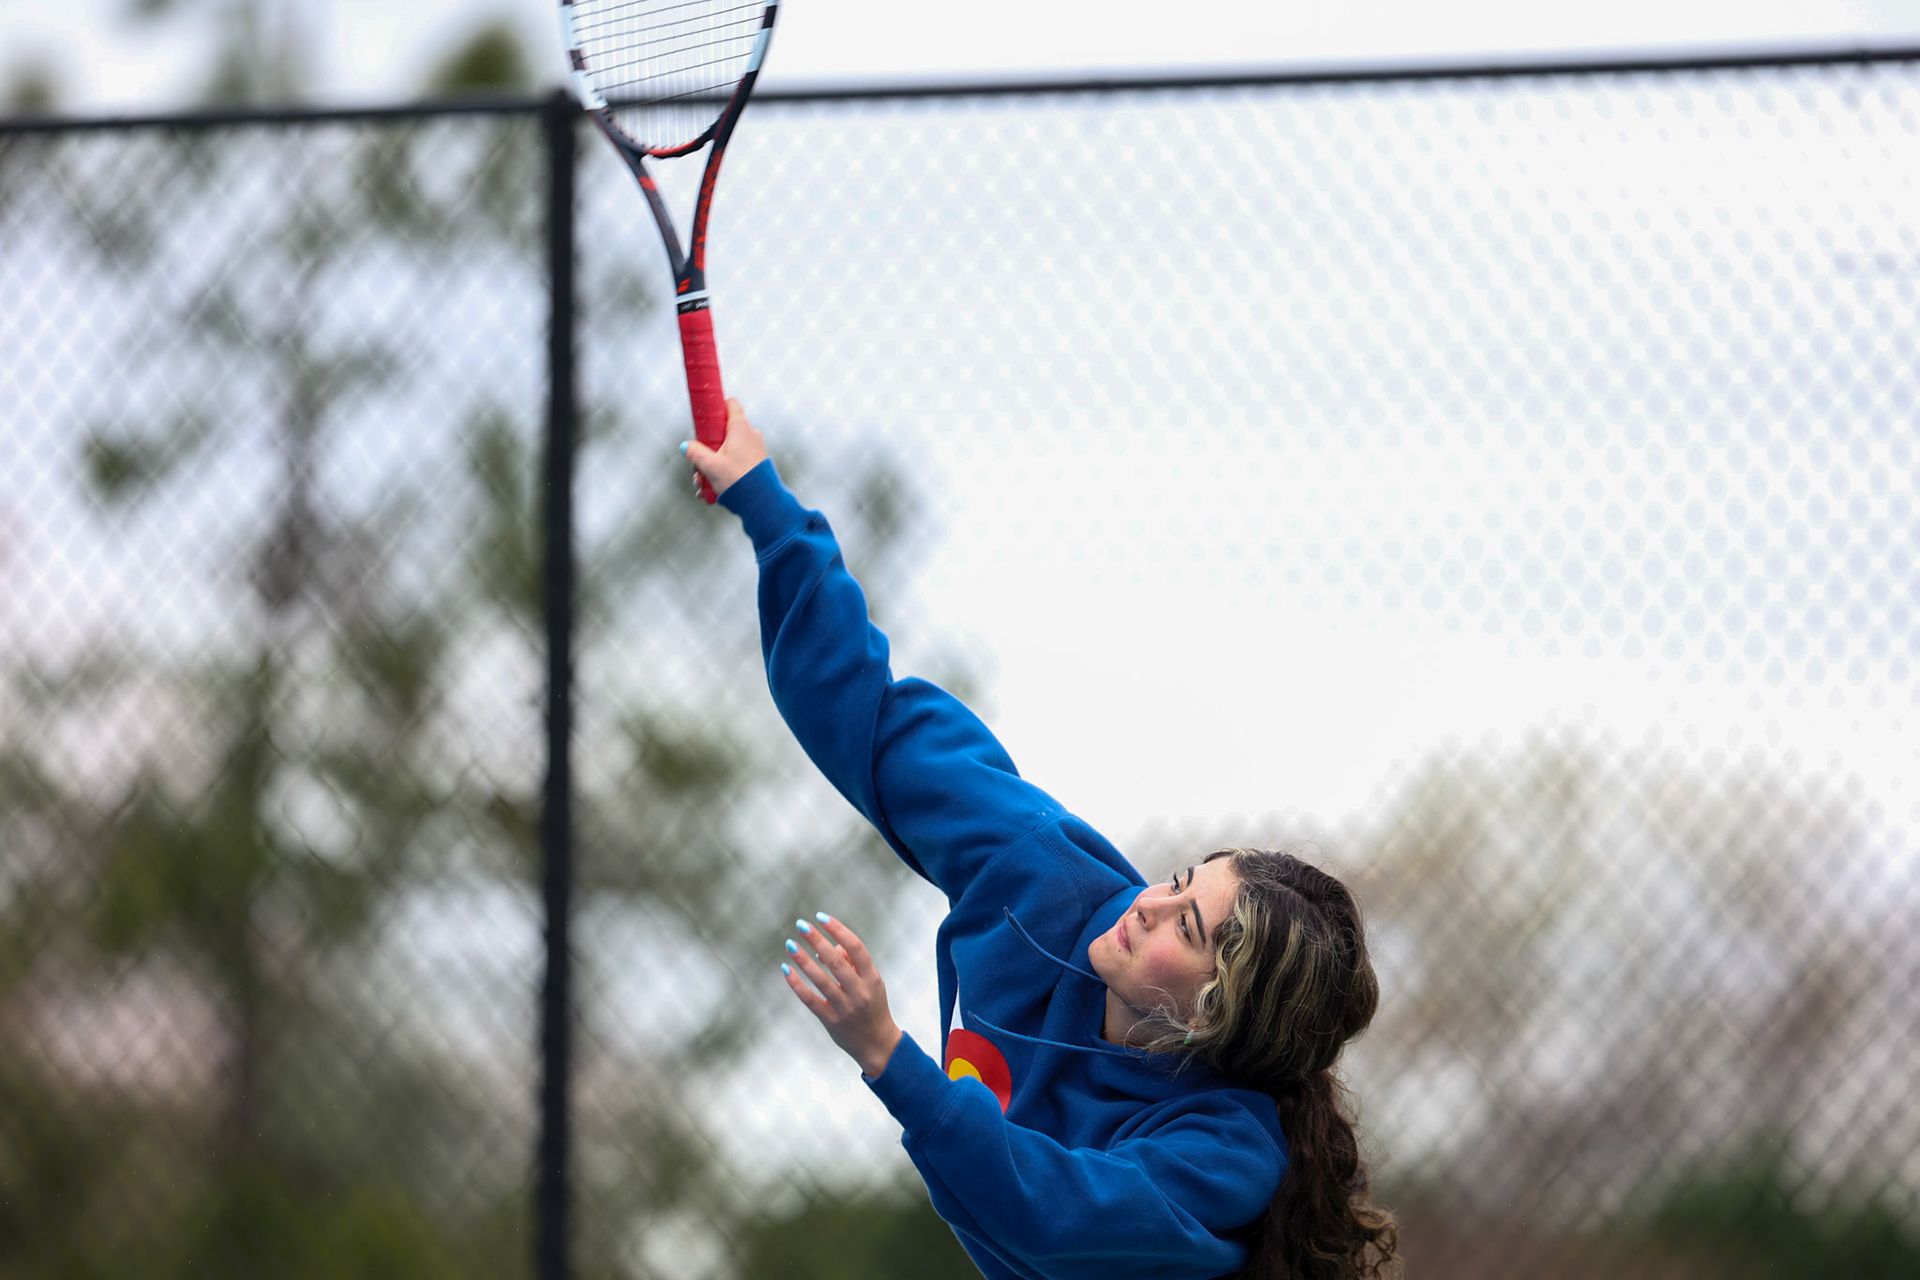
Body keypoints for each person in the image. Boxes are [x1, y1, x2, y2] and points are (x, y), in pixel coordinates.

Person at [684, 403, 1400, 1280]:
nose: (1150, 905)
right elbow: (871, 722)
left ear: (1217, 1012)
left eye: (1189, 928)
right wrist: (768, 510)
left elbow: (1050, 1218)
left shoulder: (1222, 1154)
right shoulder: (1036, 878)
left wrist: (888, 1055)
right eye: (1180, 882)